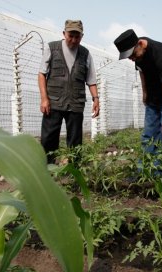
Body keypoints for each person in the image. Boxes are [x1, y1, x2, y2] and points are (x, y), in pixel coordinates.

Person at [114, 29, 162, 173]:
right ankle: (144, 172)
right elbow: (141, 70)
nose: (131, 58)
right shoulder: (138, 56)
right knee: (148, 135)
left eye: (132, 54)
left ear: (140, 44)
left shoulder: (160, 52)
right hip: (153, 94)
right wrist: (145, 92)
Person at [38, 19, 100, 164]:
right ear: (64, 33)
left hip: (76, 103)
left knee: (75, 139)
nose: (73, 40)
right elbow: (42, 74)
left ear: (82, 36)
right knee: (49, 138)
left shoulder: (85, 54)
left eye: (77, 37)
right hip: (53, 102)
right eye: (70, 36)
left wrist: (96, 98)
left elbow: (91, 79)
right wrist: (44, 99)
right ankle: (47, 168)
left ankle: (74, 170)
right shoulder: (52, 48)